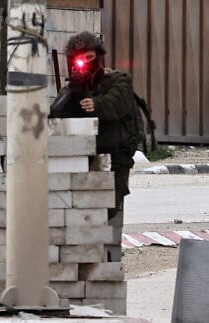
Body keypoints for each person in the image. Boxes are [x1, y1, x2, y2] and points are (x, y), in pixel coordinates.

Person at [50, 31, 137, 261]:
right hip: (79, 161)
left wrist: (95, 104)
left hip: (112, 161)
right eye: (78, 60)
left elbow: (117, 104)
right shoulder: (70, 90)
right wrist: (72, 95)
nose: (83, 65)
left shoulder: (118, 81)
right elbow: (55, 117)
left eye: (88, 58)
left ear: (98, 57)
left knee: (108, 214)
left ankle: (106, 260)